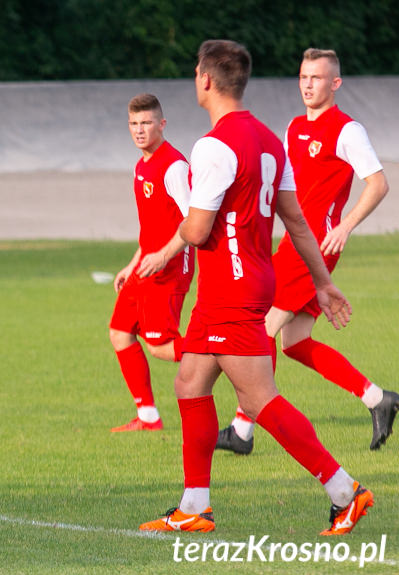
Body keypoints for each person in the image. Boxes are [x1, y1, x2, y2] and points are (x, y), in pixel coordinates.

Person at [139, 40, 373, 536]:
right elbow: (299, 222)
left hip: (232, 287)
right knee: (189, 383)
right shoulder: (270, 139)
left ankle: (345, 491)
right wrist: (324, 283)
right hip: (242, 281)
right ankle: (195, 505)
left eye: (196, 72)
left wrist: (164, 249)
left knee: (261, 399)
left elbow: (199, 229)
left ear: (205, 79)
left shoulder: (213, 145)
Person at [216, 48, 396, 456]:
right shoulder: (294, 127)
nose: (307, 85)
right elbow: (283, 188)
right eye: (303, 77)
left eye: (316, 78)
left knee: (259, 331)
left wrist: (345, 226)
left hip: (316, 244)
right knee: (294, 342)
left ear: (335, 83)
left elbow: (378, 183)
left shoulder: (347, 130)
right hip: (292, 242)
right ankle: (377, 398)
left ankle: (243, 429)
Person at [109, 93, 194, 432]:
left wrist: (163, 255)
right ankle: (148, 418)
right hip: (147, 264)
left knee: (159, 347)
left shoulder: (173, 166)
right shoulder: (142, 164)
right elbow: (151, 225)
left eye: (146, 123)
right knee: (120, 333)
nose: (139, 130)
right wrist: (135, 261)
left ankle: (226, 349)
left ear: (162, 124)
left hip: (170, 267)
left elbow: (194, 222)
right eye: (134, 124)